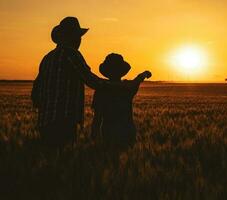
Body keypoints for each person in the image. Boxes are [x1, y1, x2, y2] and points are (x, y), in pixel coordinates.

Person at [31, 17, 139, 149]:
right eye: (78, 36)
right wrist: (117, 86)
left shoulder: (47, 58)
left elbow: (35, 93)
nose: (80, 40)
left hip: (44, 122)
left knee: (51, 163)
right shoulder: (72, 54)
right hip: (64, 120)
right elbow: (91, 80)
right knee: (65, 162)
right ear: (72, 37)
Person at [91, 53, 151, 152]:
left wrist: (94, 137)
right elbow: (136, 81)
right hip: (127, 131)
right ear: (122, 71)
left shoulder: (102, 89)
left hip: (108, 133)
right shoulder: (127, 87)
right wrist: (144, 74)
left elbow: (97, 117)